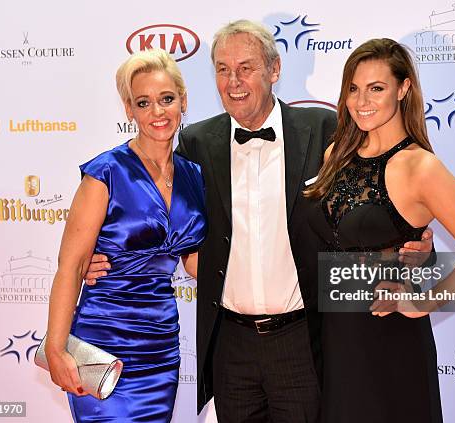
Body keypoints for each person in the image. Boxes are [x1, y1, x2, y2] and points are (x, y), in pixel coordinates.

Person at [85, 21, 434, 422]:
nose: (233, 82)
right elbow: (160, 220)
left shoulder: (323, 131)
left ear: (275, 69)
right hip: (230, 345)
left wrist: (412, 246)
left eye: (246, 68)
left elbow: (379, 197)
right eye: (222, 69)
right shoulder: (195, 143)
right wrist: (103, 260)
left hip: (302, 341)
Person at [305, 38, 455, 422]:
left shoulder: (420, 168)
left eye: (376, 88)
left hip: (389, 342)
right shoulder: (336, 155)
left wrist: (425, 300)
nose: (361, 100)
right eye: (353, 88)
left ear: (403, 88)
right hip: (334, 340)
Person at [44, 49, 206, 422]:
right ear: (129, 110)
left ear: (183, 100)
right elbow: (71, 266)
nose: (157, 112)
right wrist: (56, 347)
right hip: (104, 339)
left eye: (166, 99)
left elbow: (195, 261)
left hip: (161, 343)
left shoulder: (194, 176)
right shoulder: (107, 172)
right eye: (143, 103)